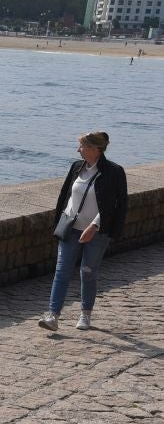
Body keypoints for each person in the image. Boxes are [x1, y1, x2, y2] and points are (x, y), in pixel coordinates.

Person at [38, 131, 128, 332]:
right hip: (71, 229)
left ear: (95, 149)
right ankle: (53, 315)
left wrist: (95, 226)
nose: (78, 150)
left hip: (97, 232)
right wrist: (60, 221)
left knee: (87, 272)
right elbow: (65, 196)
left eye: (82, 146)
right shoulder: (76, 167)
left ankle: (85, 314)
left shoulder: (114, 172)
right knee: (61, 271)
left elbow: (117, 205)